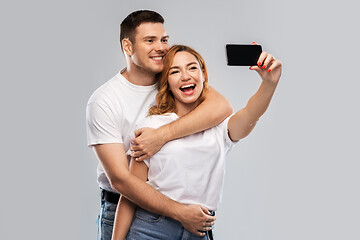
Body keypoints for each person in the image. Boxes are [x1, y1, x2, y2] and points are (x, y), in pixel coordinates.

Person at [86, 10, 233, 240]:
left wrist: (161, 136)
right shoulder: (104, 100)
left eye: (164, 39)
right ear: (128, 46)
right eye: (150, 40)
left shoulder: (174, 80)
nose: (162, 47)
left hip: (183, 213)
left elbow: (221, 107)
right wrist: (180, 212)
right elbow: (120, 179)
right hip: (121, 209)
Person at [111, 44, 282, 240]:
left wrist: (269, 83)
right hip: (152, 228)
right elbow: (131, 193)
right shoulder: (152, 126)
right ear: (166, 80)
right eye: (175, 71)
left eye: (192, 68)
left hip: (199, 231)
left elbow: (251, 113)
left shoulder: (219, 126)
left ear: (202, 74)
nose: (185, 76)